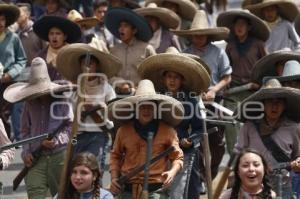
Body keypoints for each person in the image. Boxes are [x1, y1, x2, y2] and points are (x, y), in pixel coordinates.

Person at [138, 47, 210, 199]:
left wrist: (190, 141)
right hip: (157, 153)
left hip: (182, 153)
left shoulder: (190, 100)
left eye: (176, 77)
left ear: (182, 79)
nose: (172, 80)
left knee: (178, 194)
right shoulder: (155, 99)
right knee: (156, 194)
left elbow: (199, 128)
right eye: (169, 76)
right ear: (163, 79)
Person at [173, 9, 231, 184]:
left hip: (214, 102)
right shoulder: (184, 54)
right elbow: (181, 80)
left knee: (217, 145)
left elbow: (227, 77)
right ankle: (197, 178)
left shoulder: (218, 53)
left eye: (202, 35)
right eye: (195, 35)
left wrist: (214, 90)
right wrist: (194, 93)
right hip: (191, 102)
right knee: (195, 141)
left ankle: (210, 174)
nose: (198, 38)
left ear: (207, 35)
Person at [3, 57, 75, 199]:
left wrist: (57, 140)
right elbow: (25, 131)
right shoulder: (29, 104)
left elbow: (70, 127)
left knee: (61, 195)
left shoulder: (62, 100)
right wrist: (26, 152)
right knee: (35, 192)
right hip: (37, 158)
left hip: (59, 156)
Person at [108, 79, 184, 199]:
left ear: (156, 108)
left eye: (150, 106)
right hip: (128, 187)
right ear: (136, 108)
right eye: (142, 106)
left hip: (156, 188)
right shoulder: (123, 131)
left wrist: (172, 172)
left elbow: (177, 157)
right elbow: (115, 156)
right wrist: (114, 178)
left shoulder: (167, 131)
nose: (146, 110)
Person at [56, 43, 121, 173]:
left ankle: (97, 194)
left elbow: (113, 114)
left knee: (93, 171)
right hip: (76, 135)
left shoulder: (106, 88)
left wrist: (101, 109)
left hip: (97, 135)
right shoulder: (74, 89)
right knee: (76, 171)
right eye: (84, 64)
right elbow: (68, 115)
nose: (87, 67)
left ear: (97, 66)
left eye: (90, 64)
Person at [234, 78, 300, 198]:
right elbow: (238, 154)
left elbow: (297, 155)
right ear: (262, 104)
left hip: (284, 185)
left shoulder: (294, 128)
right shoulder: (249, 126)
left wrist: (296, 164)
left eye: (278, 102)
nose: (274, 106)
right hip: (254, 185)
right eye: (270, 101)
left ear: (284, 105)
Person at [216, 9, 269, 155]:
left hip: (253, 90)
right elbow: (225, 69)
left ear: (249, 27)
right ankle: (235, 159)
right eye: (237, 24)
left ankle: (255, 156)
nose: (239, 27)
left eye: (243, 24)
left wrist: (261, 83)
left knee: (253, 124)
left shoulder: (258, 44)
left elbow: (267, 65)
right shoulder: (231, 45)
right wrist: (224, 85)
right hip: (233, 90)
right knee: (231, 123)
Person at [104, 7, 156, 86]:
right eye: (120, 26)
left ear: (134, 30)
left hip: (141, 94)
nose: (121, 29)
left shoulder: (147, 49)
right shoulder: (114, 50)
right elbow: (109, 75)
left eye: (125, 26)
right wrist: (120, 84)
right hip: (119, 95)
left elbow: (155, 72)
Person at [0, 3, 27, 139]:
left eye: (3, 19)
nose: (0, 23)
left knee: (5, 115)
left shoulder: (13, 38)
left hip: (8, 82)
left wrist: (11, 74)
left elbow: (22, 59)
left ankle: (6, 145)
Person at [33, 15, 81, 81]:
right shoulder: (41, 56)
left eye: (58, 33)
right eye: (51, 34)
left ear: (65, 37)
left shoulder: (73, 54)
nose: (54, 36)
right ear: (48, 36)